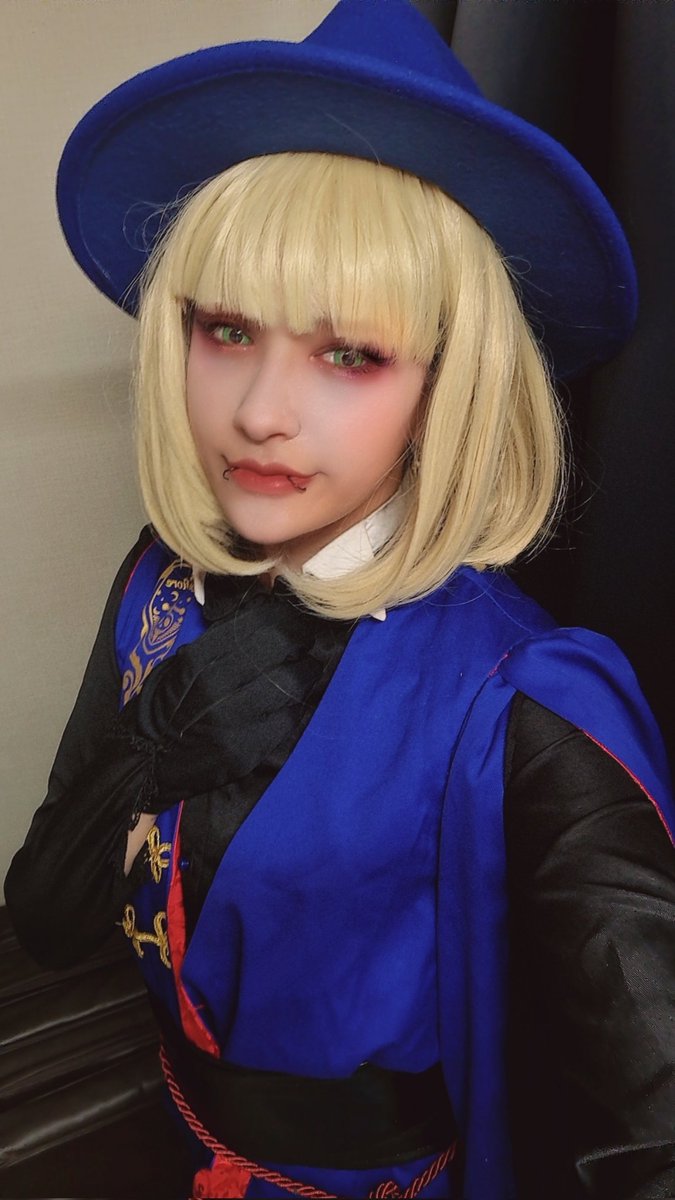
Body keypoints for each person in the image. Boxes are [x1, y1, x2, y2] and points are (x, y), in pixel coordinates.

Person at [5, 1, 675, 1198]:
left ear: (448, 386)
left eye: (350, 353)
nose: (260, 412)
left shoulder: (526, 703)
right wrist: (145, 759)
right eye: (227, 330)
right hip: (171, 1141)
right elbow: (48, 923)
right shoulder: (160, 585)